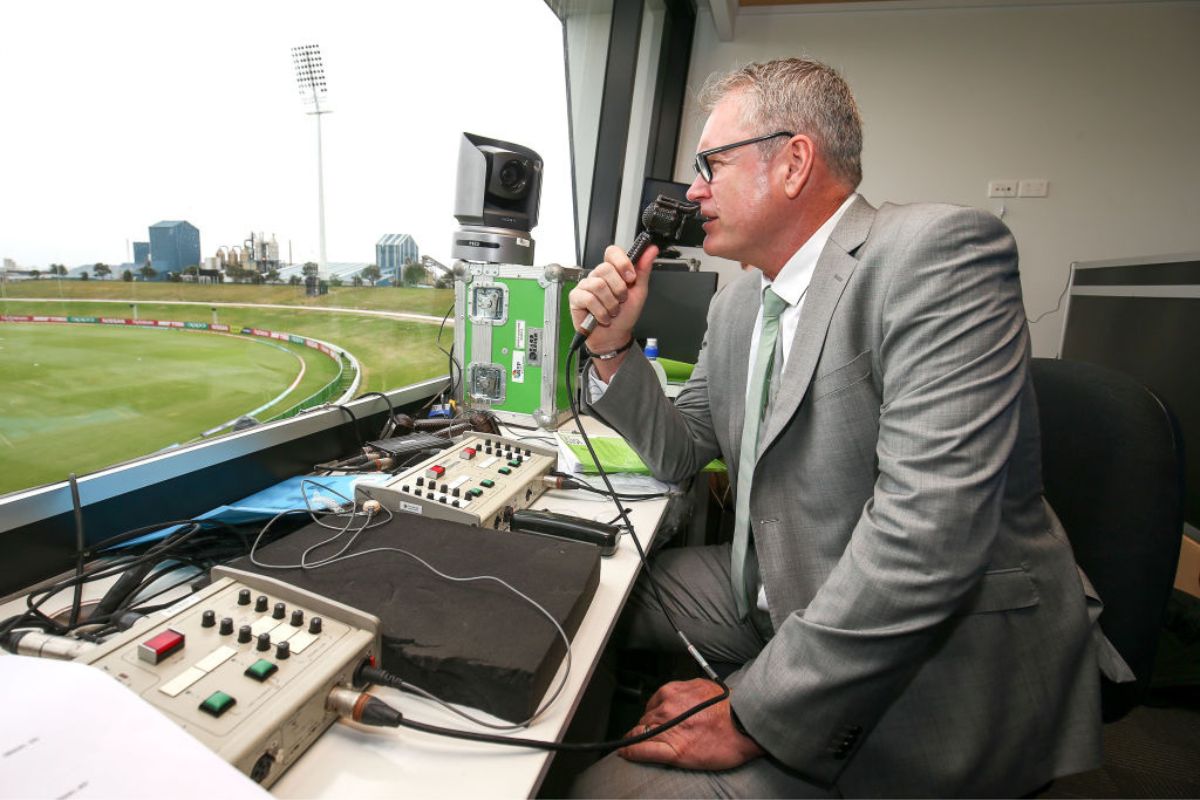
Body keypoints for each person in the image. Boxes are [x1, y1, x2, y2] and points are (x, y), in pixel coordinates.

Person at [567, 58, 1110, 798]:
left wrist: (751, 712)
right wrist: (612, 347)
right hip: (781, 581)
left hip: (932, 650)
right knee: (592, 590)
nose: (692, 192)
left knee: (600, 794)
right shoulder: (735, 308)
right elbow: (682, 452)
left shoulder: (935, 254)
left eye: (709, 165)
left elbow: (929, 534)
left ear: (793, 162)